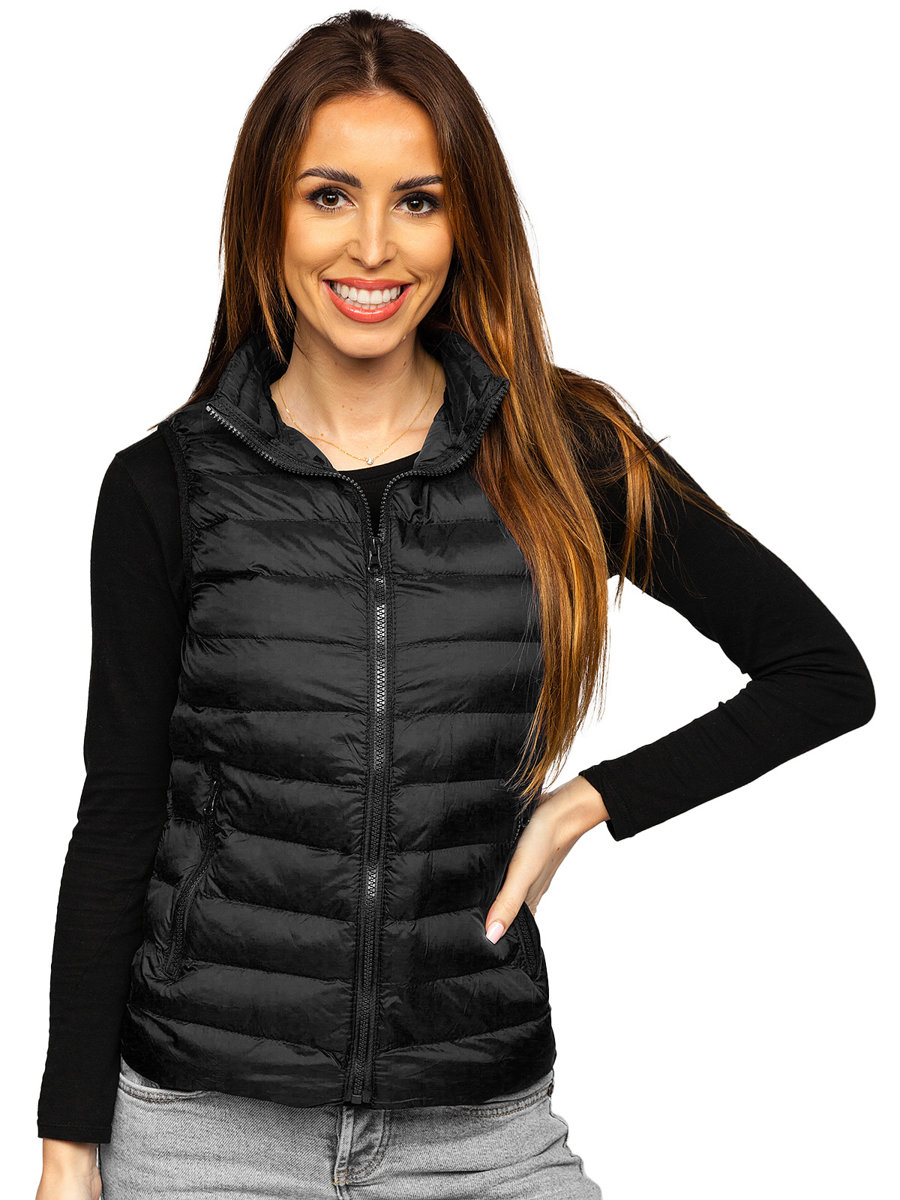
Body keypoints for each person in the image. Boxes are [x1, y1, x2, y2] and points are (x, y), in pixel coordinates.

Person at [35, 10, 876, 1200]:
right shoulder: (168, 486)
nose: (374, 246)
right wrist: (67, 1146)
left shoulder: (562, 455)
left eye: (418, 201)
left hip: (477, 1132)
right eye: (330, 195)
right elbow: (120, 811)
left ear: (464, 220)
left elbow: (822, 673)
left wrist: (587, 804)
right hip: (204, 1132)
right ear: (268, 213)